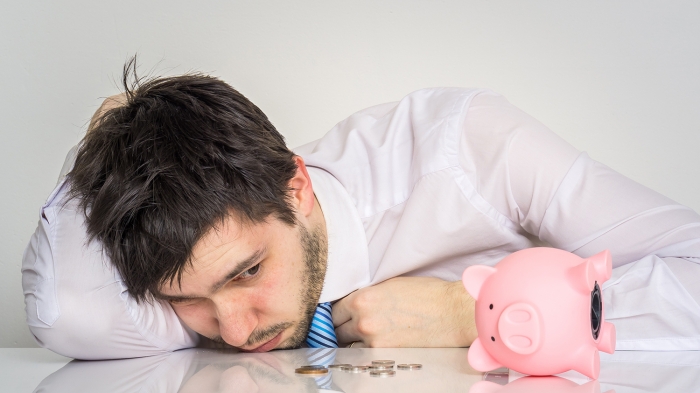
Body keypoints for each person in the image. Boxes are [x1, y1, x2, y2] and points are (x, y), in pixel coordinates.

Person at [22, 62, 700, 360]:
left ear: (297, 187)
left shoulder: (466, 148)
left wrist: (479, 314)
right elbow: (61, 309)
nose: (232, 329)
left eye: (248, 270)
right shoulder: (202, 280)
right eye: (189, 302)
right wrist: (102, 149)